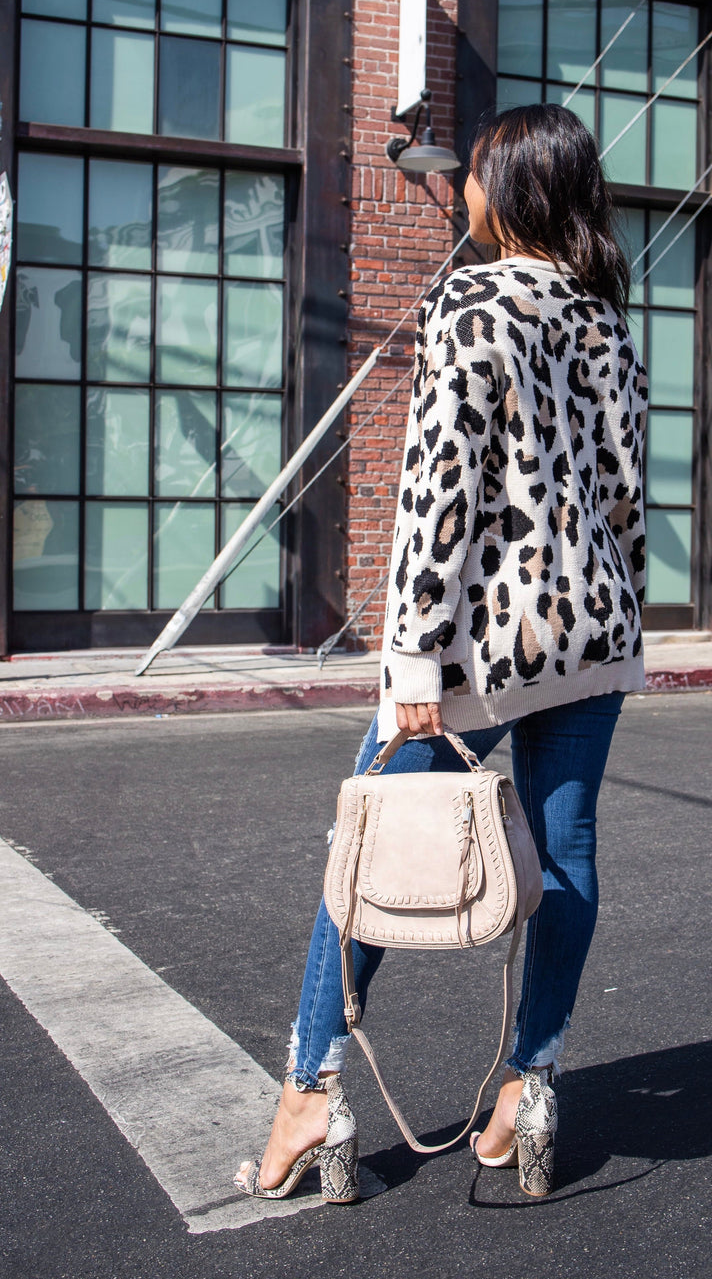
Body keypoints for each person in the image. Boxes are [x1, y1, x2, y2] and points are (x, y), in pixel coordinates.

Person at [234, 103, 649, 1202]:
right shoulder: (605, 315)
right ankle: (530, 1086)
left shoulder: (469, 298)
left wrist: (412, 661)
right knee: (566, 857)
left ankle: (310, 1095)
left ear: (505, 189)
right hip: (591, 634)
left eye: (472, 174)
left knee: (362, 853)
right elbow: (625, 497)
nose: (463, 191)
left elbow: (436, 492)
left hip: (478, 644)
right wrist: (617, 616)